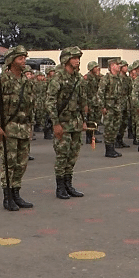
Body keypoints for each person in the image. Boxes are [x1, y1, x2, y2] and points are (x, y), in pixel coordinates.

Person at [0, 45, 35, 212]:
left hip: (23, 127)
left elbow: (30, 106)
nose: (24, 61)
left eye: (24, 58)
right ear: (11, 61)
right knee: (9, 163)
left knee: (22, 163)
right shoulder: (1, 80)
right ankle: (7, 197)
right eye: (20, 58)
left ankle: (16, 193)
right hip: (8, 128)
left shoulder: (25, 81)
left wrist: (30, 126)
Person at [46, 46, 86, 200]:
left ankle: (69, 184)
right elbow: (50, 102)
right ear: (66, 59)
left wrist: (83, 120)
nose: (77, 61)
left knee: (73, 155)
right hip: (62, 123)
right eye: (74, 58)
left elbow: (82, 101)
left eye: (78, 58)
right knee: (62, 155)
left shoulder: (78, 78)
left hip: (75, 122)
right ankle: (60, 187)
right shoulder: (58, 78)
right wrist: (55, 123)